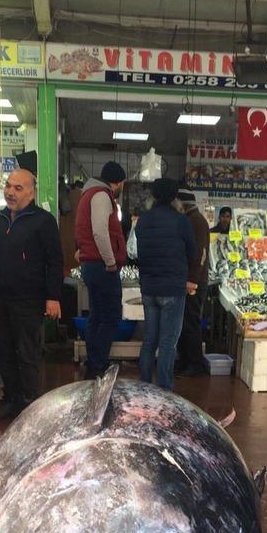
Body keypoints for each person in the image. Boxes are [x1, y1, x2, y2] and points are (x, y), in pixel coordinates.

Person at [0, 169, 63, 420]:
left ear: (31, 193)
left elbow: (55, 261)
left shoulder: (44, 221)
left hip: (29, 299)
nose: (10, 192)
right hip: (1, 297)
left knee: (27, 354)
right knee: (3, 352)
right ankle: (10, 399)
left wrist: (53, 296)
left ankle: (29, 405)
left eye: (18, 188)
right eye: (9, 186)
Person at [134, 178, 196, 391]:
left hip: (149, 287)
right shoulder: (181, 221)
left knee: (150, 338)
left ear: (154, 195)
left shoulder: (143, 220)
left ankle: (144, 384)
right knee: (168, 341)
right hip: (172, 288)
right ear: (174, 196)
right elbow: (192, 252)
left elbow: (138, 251)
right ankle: (164, 389)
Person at [74, 161, 127, 379]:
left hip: (92, 265)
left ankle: (94, 362)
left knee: (97, 315)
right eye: (123, 183)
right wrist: (110, 262)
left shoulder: (89, 195)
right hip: (101, 267)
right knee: (109, 316)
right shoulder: (102, 196)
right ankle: (98, 364)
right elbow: (100, 232)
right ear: (117, 182)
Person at [175, 189, 210, 376]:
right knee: (185, 322)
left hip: (195, 283)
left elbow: (200, 255)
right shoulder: (189, 220)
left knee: (191, 323)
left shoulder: (197, 221)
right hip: (189, 281)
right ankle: (185, 360)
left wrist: (192, 280)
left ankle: (195, 364)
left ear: (183, 205)